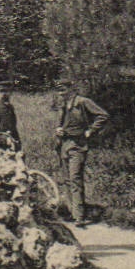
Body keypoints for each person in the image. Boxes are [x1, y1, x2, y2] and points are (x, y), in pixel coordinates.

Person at [53, 82, 110, 222]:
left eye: (64, 90)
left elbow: (103, 115)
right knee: (67, 180)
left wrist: (90, 130)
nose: (61, 93)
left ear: (71, 89)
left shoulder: (83, 102)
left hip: (78, 145)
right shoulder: (63, 105)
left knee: (75, 179)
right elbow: (62, 123)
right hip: (64, 145)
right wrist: (58, 130)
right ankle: (72, 213)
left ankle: (79, 216)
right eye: (59, 91)